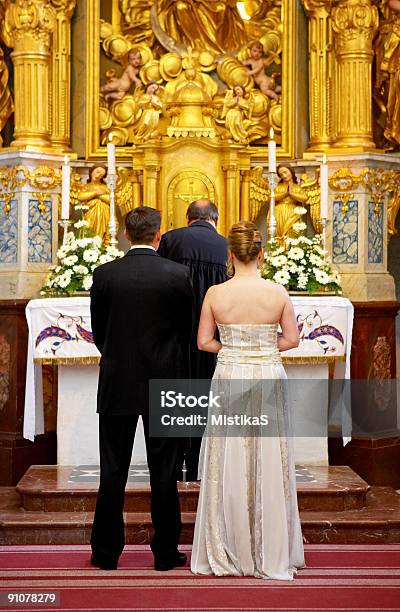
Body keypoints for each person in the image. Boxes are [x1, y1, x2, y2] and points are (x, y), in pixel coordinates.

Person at [191, 220, 305, 580]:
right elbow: (292, 339)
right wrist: (262, 350)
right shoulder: (277, 292)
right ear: (260, 253)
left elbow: (204, 343)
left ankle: (229, 547)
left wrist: (234, 351)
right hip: (268, 375)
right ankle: (269, 550)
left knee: (229, 459)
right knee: (269, 459)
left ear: (230, 255)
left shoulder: (215, 293)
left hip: (230, 377)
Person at [90, 206, 194, 571]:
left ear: (124, 233)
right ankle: (165, 553)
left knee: (113, 469)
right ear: (158, 235)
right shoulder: (178, 275)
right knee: (164, 471)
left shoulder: (104, 275)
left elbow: (99, 332)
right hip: (165, 382)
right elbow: (185, 333)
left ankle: (105, 553)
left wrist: (118, 356)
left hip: (116, 381)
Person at [158, 199, 228, 481]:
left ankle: (174, 464)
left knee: (176, 392)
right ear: (215, 218)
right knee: (206, 390)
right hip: (212, 334)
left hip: (175, 331)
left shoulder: (171, 240)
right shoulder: (225, 245)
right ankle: (200, 461)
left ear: (188, 218)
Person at [270, 164, 308, 244]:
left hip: (293, 214)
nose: (284, 175)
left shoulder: (297, 187)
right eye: (281, 174)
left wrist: (291, 193)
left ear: (291, 171)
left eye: (285, 172)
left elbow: (304, 198)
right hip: (279, 213)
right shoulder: (278, 187)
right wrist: (285, 193)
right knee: (279, 236)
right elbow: (272, 198)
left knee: (292, 236)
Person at [75, 165, 111, 244]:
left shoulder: (105, 187)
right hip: (90, 213)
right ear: (91, 171)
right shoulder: (86, 186)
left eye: (101, 175)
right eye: (97, 172)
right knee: (89, 230)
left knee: (105, 231)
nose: (98, 175)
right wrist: (95, 192)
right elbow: (80, 197)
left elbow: (111, 200)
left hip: (104, 214)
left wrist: (97, 195)